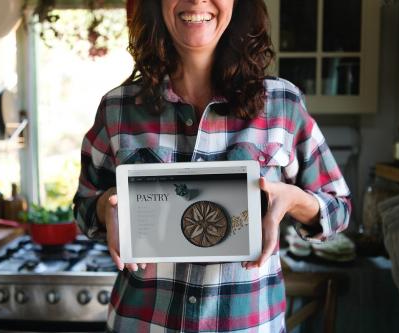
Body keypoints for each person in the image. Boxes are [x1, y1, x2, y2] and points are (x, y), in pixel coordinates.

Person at [74, 0, 351, 332]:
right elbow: (84, 207)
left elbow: (339, 210)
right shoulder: (117, 109)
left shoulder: (283, 104)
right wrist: (105, 207)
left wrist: (291, 199)